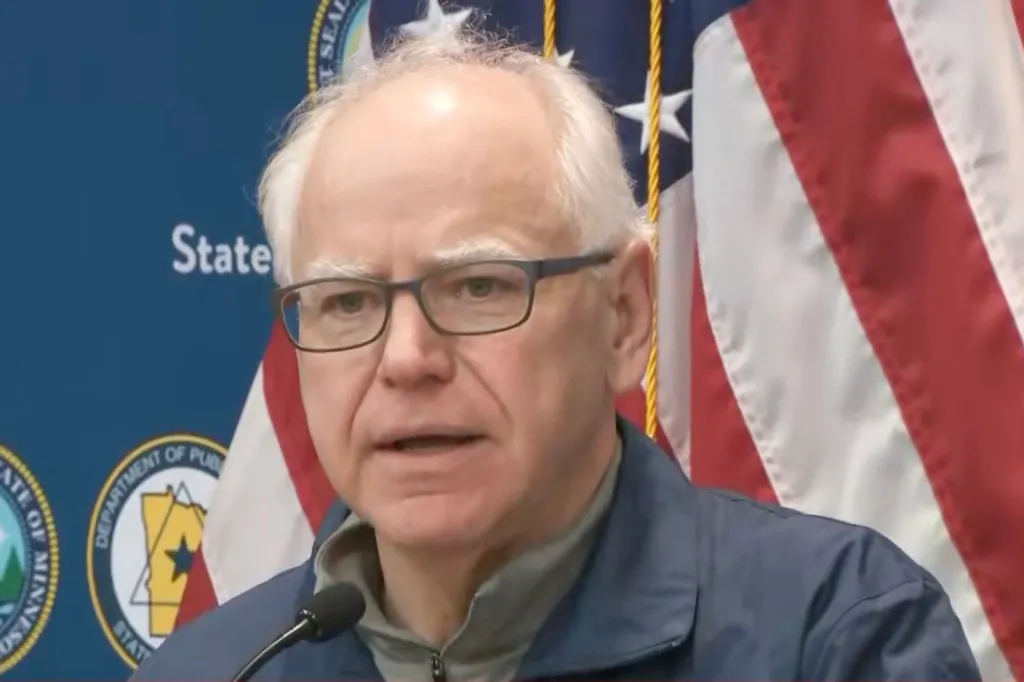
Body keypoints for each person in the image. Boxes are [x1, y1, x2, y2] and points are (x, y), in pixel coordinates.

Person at [133, 29, 981, 682]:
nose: (406, 359)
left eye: (478, 286)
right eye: (348, 301)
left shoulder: (837, 639)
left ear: (624, 315)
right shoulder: (215, 670)